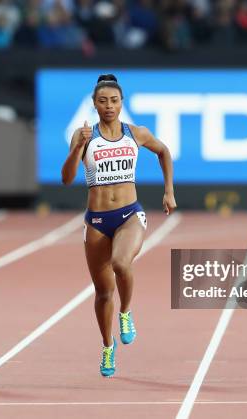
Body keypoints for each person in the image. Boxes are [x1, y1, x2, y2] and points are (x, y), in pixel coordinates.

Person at [61, 74, 176, 377]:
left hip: (129, 215)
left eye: (114, 101)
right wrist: (77, 149)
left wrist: (168, 191)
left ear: (122, 103)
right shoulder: (83, 135)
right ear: (94, 104)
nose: (109, 106)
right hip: (97, 221)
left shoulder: (135, 133)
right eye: (103, 101)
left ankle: (126, 312)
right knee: (101, 293)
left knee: (121, 263)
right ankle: (107, 346)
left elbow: (164, 151)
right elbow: (67, 177)